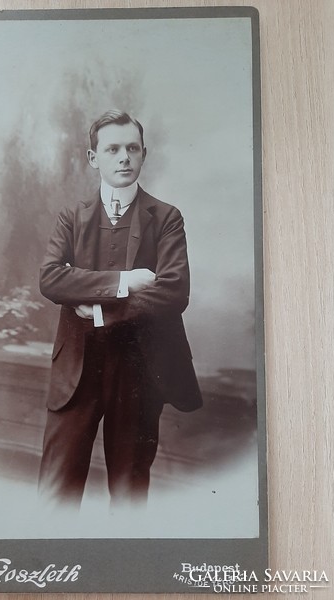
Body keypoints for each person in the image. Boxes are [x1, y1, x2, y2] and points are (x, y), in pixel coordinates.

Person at [38, 110, 202, 508]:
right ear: (94, 157)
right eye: (112, 149)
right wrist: (126, 282)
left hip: (138, 372)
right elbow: (51, 280)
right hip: (77, 368)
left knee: (129, 490)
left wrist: (96, 308)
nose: (124, 157)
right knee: (56, 491)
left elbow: (174, 292)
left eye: (132, 148)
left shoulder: (166, 218)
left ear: (143, 153)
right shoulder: (71, 218)